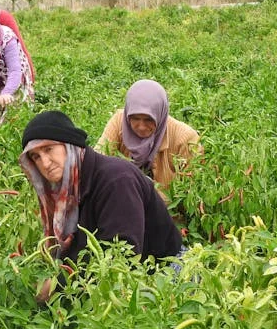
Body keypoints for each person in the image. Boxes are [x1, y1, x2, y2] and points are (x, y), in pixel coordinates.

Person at [19, 111, 183, 302]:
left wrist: (59, 284)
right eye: (36, 157)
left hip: (164, 274)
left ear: (69, 146)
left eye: (49, 149)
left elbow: (122, 255)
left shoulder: (116, 181)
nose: (45, 163)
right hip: (113, 278)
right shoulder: (67, 187)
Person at [96, 80, 202, 198]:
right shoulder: (119, 122)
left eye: (149, 119)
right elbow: (98, 164)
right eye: (135, 118)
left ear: (160, 115)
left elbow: (192, 192)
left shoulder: (185, 138)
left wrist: (145, 192)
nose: (141, 127)